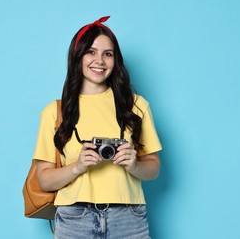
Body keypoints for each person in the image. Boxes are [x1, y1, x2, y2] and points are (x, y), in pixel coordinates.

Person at [33, 16, 162, 238]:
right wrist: (78, 166)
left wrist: (134, 166)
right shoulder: (55, 112)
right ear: (77, 56)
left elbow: (154, 168)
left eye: (107, 54)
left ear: (116, 60)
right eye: (91, 52)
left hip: (128, 218)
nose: (99, 61)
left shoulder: (136, 106)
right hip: (75, 219)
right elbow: (44, 179)